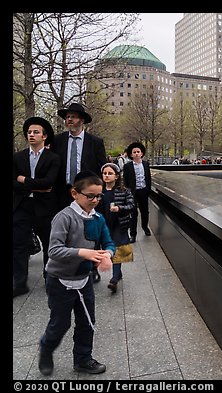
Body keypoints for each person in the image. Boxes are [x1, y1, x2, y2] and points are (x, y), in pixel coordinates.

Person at [38, 171, 114, 376]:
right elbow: (53, 250)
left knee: (87, 323)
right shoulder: (64, 217)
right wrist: (84, 253)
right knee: (60, 324)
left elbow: (108, 242)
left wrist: (107, 254)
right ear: (75, 194)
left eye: (99, 196)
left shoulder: (98, 218)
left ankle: (83, 359)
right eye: (90, 196)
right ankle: (45, 349)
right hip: (59, 281)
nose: (95, 200)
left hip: (83, 280)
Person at [50, 103, 107, 282]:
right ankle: (63, 266)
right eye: (67, 117)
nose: (69, 119)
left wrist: (96, 194)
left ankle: (91, 266)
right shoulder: (58, 141)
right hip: (63, 192)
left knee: (89, 232)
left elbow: (101, 169)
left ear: (81, 120)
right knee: (66, 230)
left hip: (87, 195)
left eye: (73, 116)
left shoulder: (95, 142)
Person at [13, 117, 61, 297]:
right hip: (22, 206)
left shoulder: (53, 158)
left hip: (45, 208)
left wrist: (24, 180)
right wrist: (37, 185)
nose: (31, 135)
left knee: (49, 243)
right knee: (18, 244)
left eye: (36, 132)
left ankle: (49, 278)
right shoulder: (17, 157)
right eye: (29, 132)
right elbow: (13, 183)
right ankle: (19, 283)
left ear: (44, 136)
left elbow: (49, 182)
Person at [97, 163, 135, 293]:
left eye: (110, 173)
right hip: (104, 225)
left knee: (118, 249)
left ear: (116, 176)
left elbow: (131, 206)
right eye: (105, 173)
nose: (107, 176)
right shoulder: (99, 192)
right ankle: (117, 273)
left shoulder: (124, 191)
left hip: (119, 224)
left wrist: (120, 209)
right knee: (108, 249)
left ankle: (114, 279)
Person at [123, 142, 152, 242]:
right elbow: (125, 180)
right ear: (131, 154)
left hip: (143, 191)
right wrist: (127, 192)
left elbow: (148, 178)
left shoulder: (146, 164)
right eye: (134, 152)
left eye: (138, 152)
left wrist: (148, 190)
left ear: (141, 153)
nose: (136, 153)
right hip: (132, 193)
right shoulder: (127, 166)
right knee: (133, 213)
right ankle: (133, 234)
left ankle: (145, 227)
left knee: (145, 212)